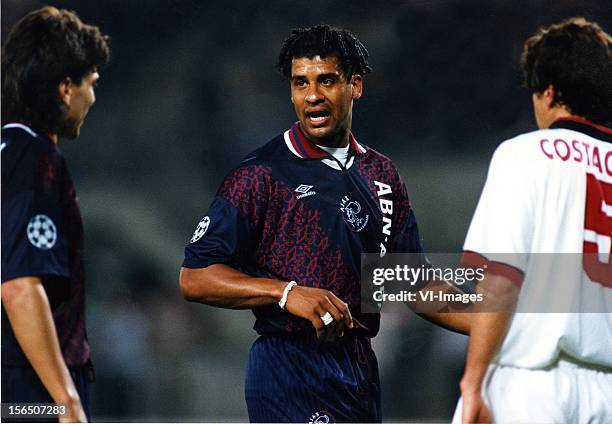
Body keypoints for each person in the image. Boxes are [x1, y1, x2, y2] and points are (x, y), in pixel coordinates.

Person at [180, 24, 468, 423]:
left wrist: (492, 322)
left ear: (355, 86)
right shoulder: (260, 174)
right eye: (300, 83)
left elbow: (413, 282)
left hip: (359, 370)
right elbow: (195, 276)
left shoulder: (382, 173)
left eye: (326, 81)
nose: (312, 95)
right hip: (290, 366)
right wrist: (285, 293)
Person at [454, 17, 612, 423]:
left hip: (532, 385)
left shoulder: (525, 154)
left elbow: (501, 279)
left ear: (550, 92)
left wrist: (473, 380)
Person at [1, 6, 110, 423]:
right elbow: (19, 286)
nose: (93, 98)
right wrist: (65, 399)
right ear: (65, 88)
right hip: (32, 389)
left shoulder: (7, 154)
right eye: (91, 83)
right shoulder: (36, 160)